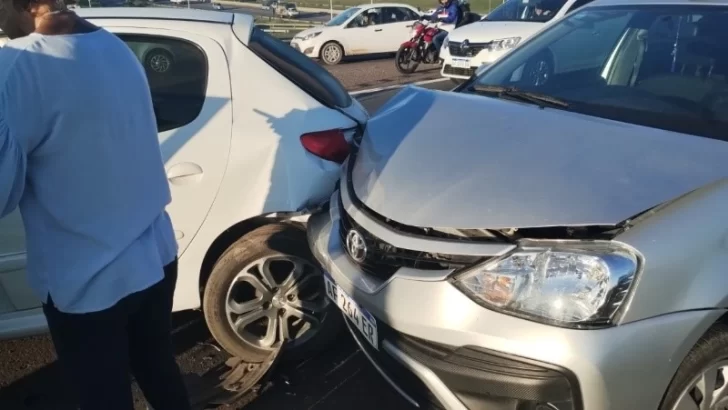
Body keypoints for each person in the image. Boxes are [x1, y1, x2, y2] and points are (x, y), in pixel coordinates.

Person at [0, 1, 192, 410]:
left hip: (86, 280)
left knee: (103, 397)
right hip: (155, 256)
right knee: (159, 370)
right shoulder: (114, 47)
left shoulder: (17, 67)